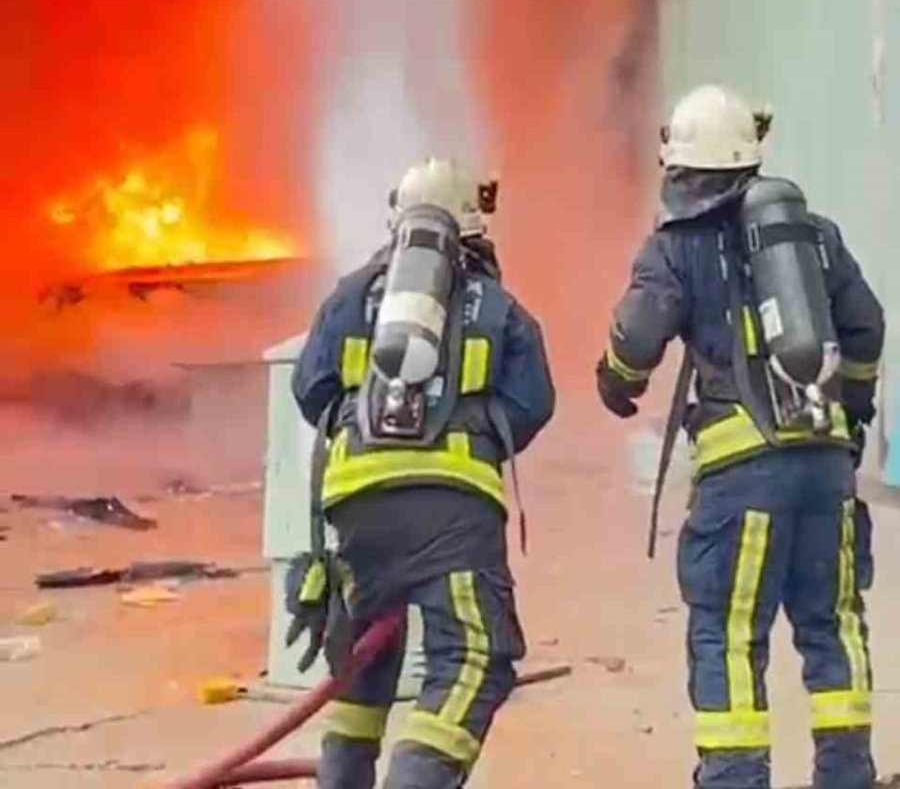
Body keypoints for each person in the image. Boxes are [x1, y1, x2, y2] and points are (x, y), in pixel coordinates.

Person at [596, 85, 885, 789]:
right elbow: (867, 326)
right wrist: (853, 410)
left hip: (742, 479)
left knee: (729, 633)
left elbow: (637, 338)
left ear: (680, 167)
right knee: (835, 623)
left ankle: (735, 777)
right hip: (826, 467)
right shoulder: (815, 235)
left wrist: (617, 382)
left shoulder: (676, 248)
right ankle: (846, 773)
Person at [291, 157, 555, 789]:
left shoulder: (350, 295)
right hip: (452, 516)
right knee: (471, 660)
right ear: (474, 222)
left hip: (357, 507)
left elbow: (309, 389)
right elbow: (533, 403)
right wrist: (473, 437)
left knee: (362, 669)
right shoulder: (498, 305)